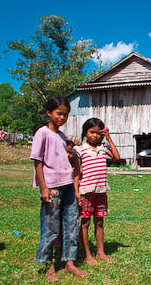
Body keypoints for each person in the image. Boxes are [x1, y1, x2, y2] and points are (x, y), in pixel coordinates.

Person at [30, 96, 86, 281]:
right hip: (52, 186)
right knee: (50, 226)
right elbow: (38, 162)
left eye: (66, 115)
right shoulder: (42, 133)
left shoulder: (62, 136)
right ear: (49, 112)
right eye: (59, 113)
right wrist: (43, 188)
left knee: (71, 224)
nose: (62, 118)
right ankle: (48, 265)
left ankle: (69, 261)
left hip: (68, 184)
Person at [75, 118, 120, 265]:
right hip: (86, 191)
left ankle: (100, 252)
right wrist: (77, 192)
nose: (95, 136)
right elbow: (77, 173)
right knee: (85, 222)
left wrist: (108, 137)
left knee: (99, 221)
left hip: (101, 191)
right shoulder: (80, 150)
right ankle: (87, 254)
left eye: (98, 133)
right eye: (91, 132)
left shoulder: (103, 148)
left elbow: (117, 157)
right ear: (85, 133)